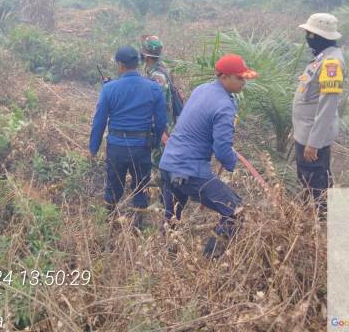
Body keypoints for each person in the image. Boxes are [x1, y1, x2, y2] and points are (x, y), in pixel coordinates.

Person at [159, 54, 258, 258]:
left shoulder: (201, 89)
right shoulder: (224, 105)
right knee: (235, 211)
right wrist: (231, 163)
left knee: (171, 219)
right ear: (225, 77)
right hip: (189, 171)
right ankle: (208, 264)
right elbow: (222, 149)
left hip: (168, 164)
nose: (244, 82)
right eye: (240, 78)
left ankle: (166, 259)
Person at [89, 45, 168, 227]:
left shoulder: (109, 89)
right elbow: (161, 120)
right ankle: (138, 226)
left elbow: (99, 121)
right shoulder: (154, 88)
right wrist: (154, 143)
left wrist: (93, 147)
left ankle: (110, 225)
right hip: (142, 146)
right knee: (141, 187)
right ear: (138, 63)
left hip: (116, 147)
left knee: (113, 186)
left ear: (120, 65)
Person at [292, 13, 346, 215]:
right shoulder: (322, 58)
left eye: (309, 34)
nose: (307, 38)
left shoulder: (332, 64)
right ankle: (310, 217)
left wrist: (314, 142)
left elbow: (328, 106)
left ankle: (321, 220)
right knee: (308, 178)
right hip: (305, 131)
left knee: (316, 180)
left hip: (313, 137)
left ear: (318, 36)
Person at [140, 35, 182, 127]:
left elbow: (158, 104)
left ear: (147, 55)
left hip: (160, 126)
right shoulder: (158, 67)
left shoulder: (158, 76)